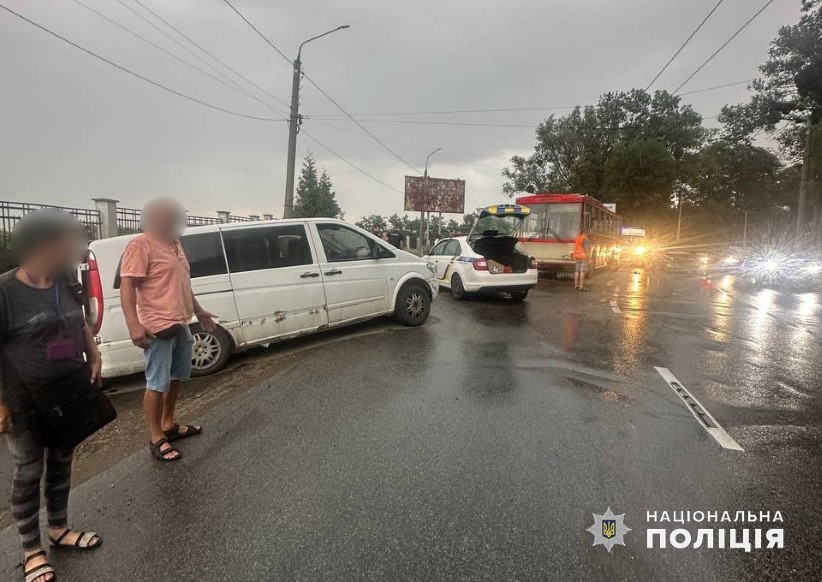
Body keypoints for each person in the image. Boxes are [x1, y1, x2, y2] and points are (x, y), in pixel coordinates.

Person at [0, 209, 103, 582]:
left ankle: (59, 529)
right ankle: (31, 551)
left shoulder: (66, 279)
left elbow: (78, 320)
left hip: (67, 393)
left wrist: (93, 350)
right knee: (29, 472)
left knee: (61, 461)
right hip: (22, 401)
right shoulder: (5, 291)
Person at [119, 197, 216, 463]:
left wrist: (199, 311)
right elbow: (127, 287)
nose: (176, 222)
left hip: (181, 322)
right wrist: (133, 325)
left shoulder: (176, 244)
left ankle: (169, 424)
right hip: (157, 327)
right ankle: (156, 437)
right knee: (156, 383)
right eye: (171, 217)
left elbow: (184, 284)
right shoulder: (140, 245)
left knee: (176, 378)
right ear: (155, 218)